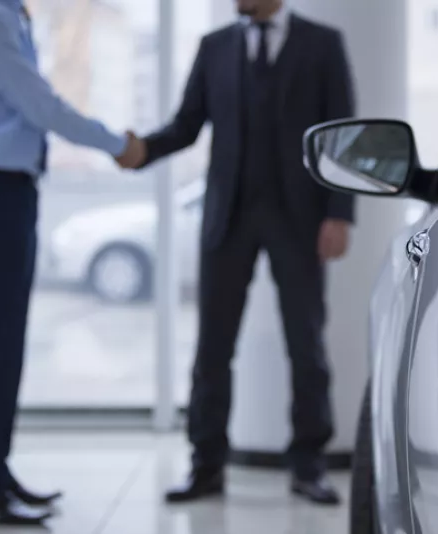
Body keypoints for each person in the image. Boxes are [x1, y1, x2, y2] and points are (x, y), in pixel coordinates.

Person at [132, 0, 356, 506]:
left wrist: (339, 214)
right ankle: (206, 466)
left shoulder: (323, 44)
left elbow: (342, 135)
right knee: (212, 349)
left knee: (307, 348)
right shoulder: (215, 48)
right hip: (228, 218)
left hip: (299, 221)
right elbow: (186, 125)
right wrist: (141, 150)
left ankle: (308, 465)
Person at [0, 0, 144, 526]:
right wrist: (117, 144)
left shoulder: (8, 18)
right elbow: (41, 106)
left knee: (2, 338)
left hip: (3, 189)